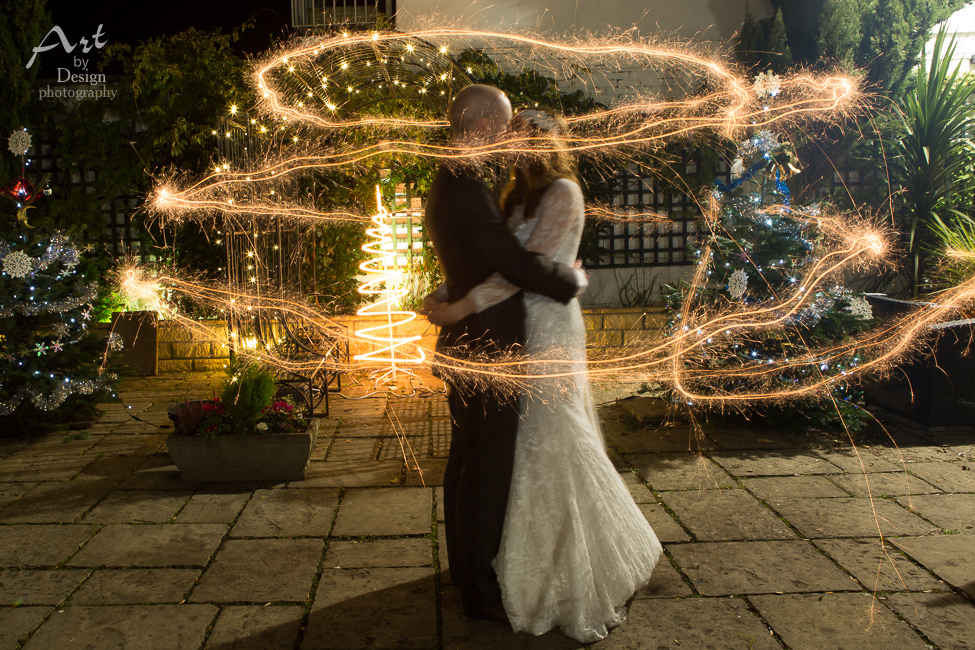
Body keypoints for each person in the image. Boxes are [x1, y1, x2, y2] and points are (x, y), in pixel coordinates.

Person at [427, 109, 662, 643]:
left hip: (549, 328)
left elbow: (522, 271)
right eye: (509, 138)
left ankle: (573, 558)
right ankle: (511, 560)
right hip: (515, 330)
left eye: (521, 139)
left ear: (545, 145)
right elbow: (497, 262)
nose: (511, 148)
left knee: (554, 436)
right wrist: (450, 292)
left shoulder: (563, 194)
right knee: (513, 450)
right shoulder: (514, 198)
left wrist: (461, 306)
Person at [421, 85, 589, 623]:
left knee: (473, 463)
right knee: (484, 467)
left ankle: (467, 570)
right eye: (504, 126)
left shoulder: (460, 180)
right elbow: (511, 264)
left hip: (501, 340)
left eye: (519, 131)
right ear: (482, 124)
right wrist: (569, 278)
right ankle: (479, 588)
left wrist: (452, 296)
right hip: (487, 345)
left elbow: (485, 260)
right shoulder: (471, 187)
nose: (507, 138)